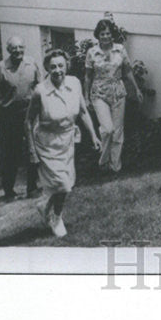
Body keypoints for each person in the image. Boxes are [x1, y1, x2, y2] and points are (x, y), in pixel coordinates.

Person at [26, 49, 100, 238]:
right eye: (53, 67)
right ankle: (56, 218)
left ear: (67, 65)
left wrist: (93, 136)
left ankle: (45, 206)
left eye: (61, 65)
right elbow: (28, 121)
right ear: (47, 69)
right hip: (47, 142)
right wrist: (32, 150)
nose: (58, 70)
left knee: (67, 183)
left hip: (68, 140)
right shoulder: (40, 91)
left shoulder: (75, 83)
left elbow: (83, 112)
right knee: (63, 184)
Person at [0, 36, 42, 201]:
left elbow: (40, 85)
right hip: (9, 115)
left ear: (24, 48)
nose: (18, 51)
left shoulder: (32, 63)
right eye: (14, 48)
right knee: (11, 154)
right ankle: (8, 191)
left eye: (21, 47)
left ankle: (32, 187)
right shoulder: (0, 68)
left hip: (30, 112)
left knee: (34, 149)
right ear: (9, 50)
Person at [84, 17, 141, 173]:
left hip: (117, 91)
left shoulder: (120, 49)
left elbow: (127, 70)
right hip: (99, 92)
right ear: (98, 35)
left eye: (108, 33)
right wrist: (86, 96)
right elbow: (88, 76)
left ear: (112, 34)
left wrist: (136, 89)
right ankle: (103, 161)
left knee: (117, 131)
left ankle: (115, 166)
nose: (106, 37)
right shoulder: (92, 52)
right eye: (102, 34)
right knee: (107, 129)